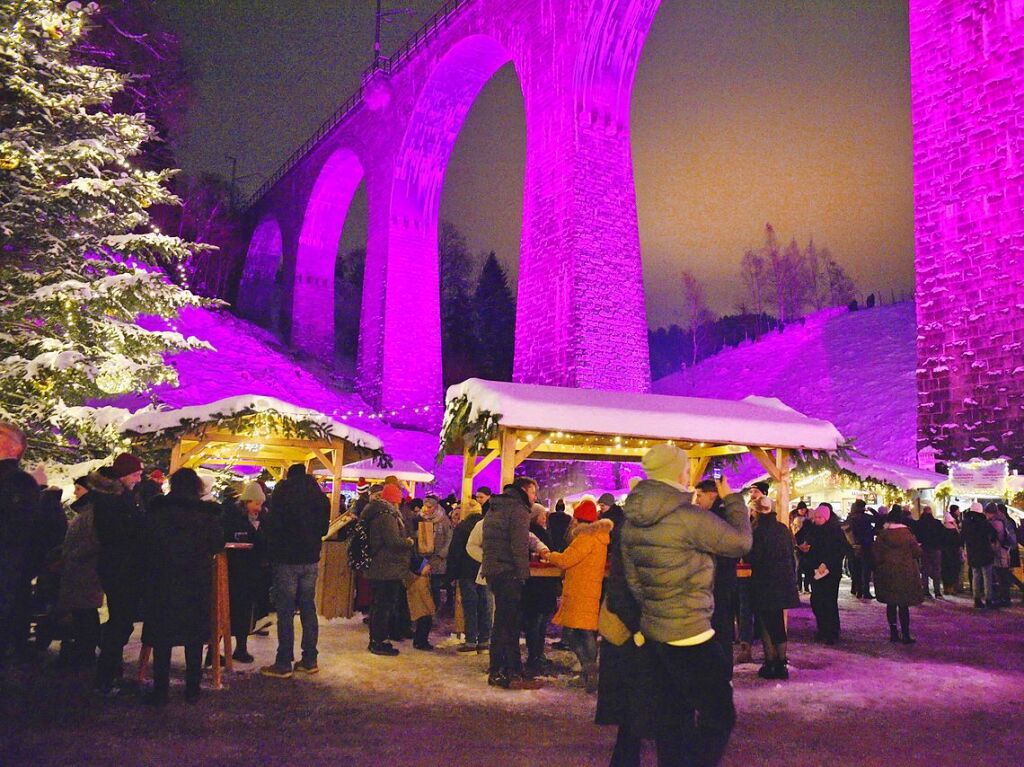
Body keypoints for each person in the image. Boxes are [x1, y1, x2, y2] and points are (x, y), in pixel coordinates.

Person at [621, 445, 751, 767]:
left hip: (656, 631)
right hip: (691, 632)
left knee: (672, 713)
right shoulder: (688, 518)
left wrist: (656, 609)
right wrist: (733, 500)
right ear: (677, 473)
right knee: (719, 713)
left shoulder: (631, 520)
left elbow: (633, 581)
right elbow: (740, 543)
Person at [140, 468, 224, 705]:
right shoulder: (207, 514)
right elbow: (217, 544)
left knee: (163, 636)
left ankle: (160, 689)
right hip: (195, 581)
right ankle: (192, 688)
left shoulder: (157, 511)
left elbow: (145, 541)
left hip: (163, 580)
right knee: (194, 637)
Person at [260, 463, 330, 678]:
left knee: (286, 610)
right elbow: (324, 530)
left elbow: (273, 525)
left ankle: (283, 662)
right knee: (308, 609)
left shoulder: (283, 492)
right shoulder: (320, 498)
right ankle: (310, 659)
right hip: (310, 560)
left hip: (286, 559)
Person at [542, 499, 612, 692]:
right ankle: (589, 673)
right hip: (589, 589)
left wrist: (548, 555)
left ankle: (590, 671)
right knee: (584, 630)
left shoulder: (585, 538)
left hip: (580, 589)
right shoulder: (600, 537)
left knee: (574, 633)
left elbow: (566, 560)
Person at [481, 477, 543, 690]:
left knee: (505, 621)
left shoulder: (496, 506)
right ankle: (501, 670)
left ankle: (508, 668)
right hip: (508, 571)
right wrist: (523, 573)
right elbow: (519, 544)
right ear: (525, 490)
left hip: (494, 569)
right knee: (506, 623)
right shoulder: (518, 509)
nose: (535, 498)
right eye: (534, 493)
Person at [93, 453, 146, 694]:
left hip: (121, 567)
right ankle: (106, 675)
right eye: (136, 474)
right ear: (124, 475)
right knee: (121, 621)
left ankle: (111, 670)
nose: (139, 478)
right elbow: (118, 534)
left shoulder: (122, 497)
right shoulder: (113, 500)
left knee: (121, 620)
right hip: (120, 568)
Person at [747, 490, 801, 679]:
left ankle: (770, 662)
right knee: (777, 623)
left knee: (764, 622)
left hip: (764, 582)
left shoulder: (757, 531)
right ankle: (781, 662)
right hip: (782, 582)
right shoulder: (782, 528)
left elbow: (754, 557)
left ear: (757, 512)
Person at [55, 473, 106, 667]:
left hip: (84, 572)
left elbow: (91, 542)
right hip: (79, 571)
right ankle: (83, 651)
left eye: (79, 489)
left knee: (85, 614)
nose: (75, 493)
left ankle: (84, 654)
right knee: (82, 613)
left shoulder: (91, 514)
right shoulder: (86, 512)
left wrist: (70, 556)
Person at [692, 480, 738, 674]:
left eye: (699, 495)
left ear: (711, 495)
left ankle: (717, 669)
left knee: (716, 626)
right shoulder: (723, 516)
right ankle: (721, 669)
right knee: (721, 625)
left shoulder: (713, 519)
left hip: (716, 580)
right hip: (723, 579)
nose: (696, 500)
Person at [363, 484, 414, 656]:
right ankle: (378, 641)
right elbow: (393, 541)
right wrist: (408, 542)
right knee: (383, 606)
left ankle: (378, 639)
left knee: (379, 605)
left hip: (381, 567)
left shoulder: (377, 512)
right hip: (385, 568)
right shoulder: (386, 516)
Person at [225, 482, 269, 663]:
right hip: (233, 569)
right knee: (225, 609)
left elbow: (263, 543)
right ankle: (214, 650)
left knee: (244, 611)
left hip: (250, 571)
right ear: (247, 501)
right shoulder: (232, 516)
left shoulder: (262, 518)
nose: (258, 508)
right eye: (256, 504)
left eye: (260, 504)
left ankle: (240, 648)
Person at [798, 503, 847, 644]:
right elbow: (801, 539)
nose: (817, 520)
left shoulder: (835, 531)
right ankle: (822, 628)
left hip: (830, 572)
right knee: (817, 600)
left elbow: (839, 550)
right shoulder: (811, 529)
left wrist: (827, 563)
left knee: (829, 601)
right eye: (816, 517)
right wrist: (803, 549)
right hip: (814, 570)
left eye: (820, 517)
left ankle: (831, 631)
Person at [873, 506, 923, 644]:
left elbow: (876, 554)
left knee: (891, 603)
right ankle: (906, 634)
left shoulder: (883, 535)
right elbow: (917, 552)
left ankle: (893, 633)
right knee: (903, 604)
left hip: (887, 572)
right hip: (905, 573)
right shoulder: (907, 535)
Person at [521, 503, 558, 676]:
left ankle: (537, 654)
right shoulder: (534, 532)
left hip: (541, 585)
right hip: (538, 585)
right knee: (536, 622)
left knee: (539, 622)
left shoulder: (541, 531)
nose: (545, 517)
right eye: (542, 514)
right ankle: (535, 655)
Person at [416, 496, 452, 613]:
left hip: (438, 557)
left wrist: (443, 553)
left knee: (435, 584)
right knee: (424, 584)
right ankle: (425, 609)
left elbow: (449, 537)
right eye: (425, 506)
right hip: (424, 556)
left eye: (429, 507)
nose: (426, 509)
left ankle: (435, 608)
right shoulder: (421, 518)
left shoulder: (443, 520)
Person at [961, 501, 996, 609]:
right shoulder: (984, 522)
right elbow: (993, 534)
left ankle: (976, 599)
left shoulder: (966, 523)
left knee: (976, 575)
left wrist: (963, 550)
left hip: (973, 553)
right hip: (985, 552)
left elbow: (961, 538)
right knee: (987, 577)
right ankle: (988, 599)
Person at [846, 500, 875, 599]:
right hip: (866, 546)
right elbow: (879, 520)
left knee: (856, 569)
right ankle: (865, 591)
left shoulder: (850, 518)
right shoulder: (866, 518)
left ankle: (857, 590)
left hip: (853, 547)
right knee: (865, 570)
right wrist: (872, 510)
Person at [914, 505, 945, 599]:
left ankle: (926, 591)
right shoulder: (937, 523)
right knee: (937, 570)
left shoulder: (919, 523)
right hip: (935, 548)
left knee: (925, 570)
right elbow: (943, 535)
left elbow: (917, 536)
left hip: (924, 548)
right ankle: (937, 591)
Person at [985, 503, 1012, 606]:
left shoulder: (996, 523)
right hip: (1003, 552)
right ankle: (1004, 597)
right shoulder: (1002, 521)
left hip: (1000, 553)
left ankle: (1004, 598)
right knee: (1002, 575)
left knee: (1001, 575)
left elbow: (997, 539)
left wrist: (993, 549)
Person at [940, 510, 963, 595]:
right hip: (954, 554)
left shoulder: (942, 529)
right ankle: (953, 588)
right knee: (954, 571)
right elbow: (959, 542)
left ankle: (946, 588)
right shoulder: (954, 531)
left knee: (945, 571)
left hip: (945, 554)